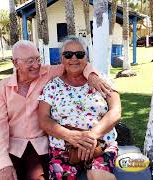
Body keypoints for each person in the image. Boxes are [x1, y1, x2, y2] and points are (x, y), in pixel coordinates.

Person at [0, 40, 113, 180]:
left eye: (38, 59)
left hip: (39, 146)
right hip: (13, 146)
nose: (36, 65)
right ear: (15, 63)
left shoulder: (47, 72)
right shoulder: (1, 88)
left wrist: (92, 75)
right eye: (30, 61)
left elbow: (75, 63)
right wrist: (3, 163)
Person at [38, 36, 121, 180]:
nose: (74, 58)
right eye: (68, 55)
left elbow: (115, 111)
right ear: (62, 59)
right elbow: (43, 119)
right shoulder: (52, 86)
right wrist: (70, 136)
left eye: (80, 54)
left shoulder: (101, 80)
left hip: (100, 144)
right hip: (63, 147)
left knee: (99, 176)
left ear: (86, 57)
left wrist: (91, 136)